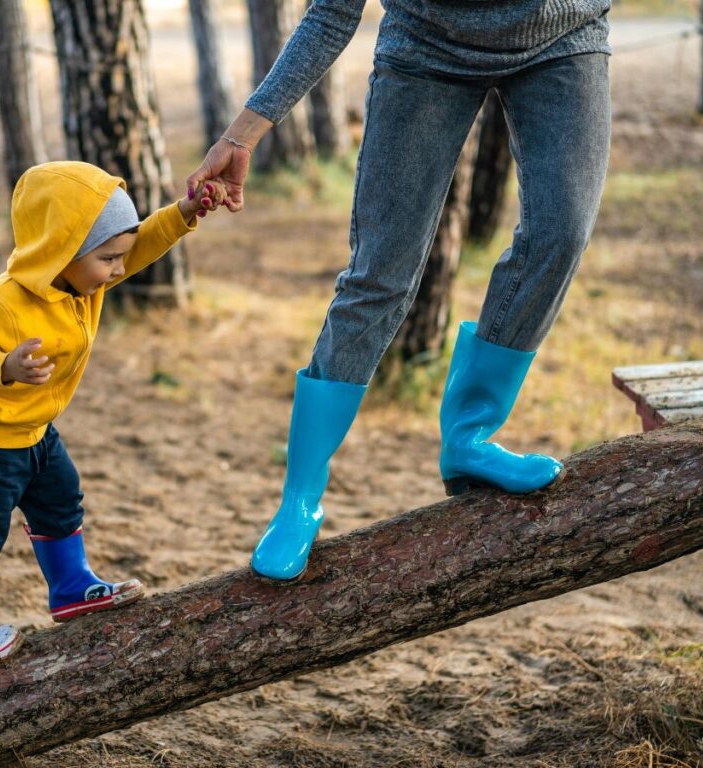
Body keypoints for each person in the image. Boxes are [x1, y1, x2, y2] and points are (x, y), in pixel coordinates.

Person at [187, 1, 612, 581]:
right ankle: (300, 500)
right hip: (427, 46)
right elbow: (332, 12)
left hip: (564, 35)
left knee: (560, 236)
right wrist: (245, 132)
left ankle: (470, 437)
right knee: (379, 275)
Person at [0, 160, 227, 670]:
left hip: (34, 430)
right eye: (108, 259)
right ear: (62, 251)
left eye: (118, 258)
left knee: (61, 500)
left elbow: (140, 244)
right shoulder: (6, 304)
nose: (119, 270)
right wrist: (5, 366)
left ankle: (71, 587)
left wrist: (185, 211)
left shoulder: (86, 280)